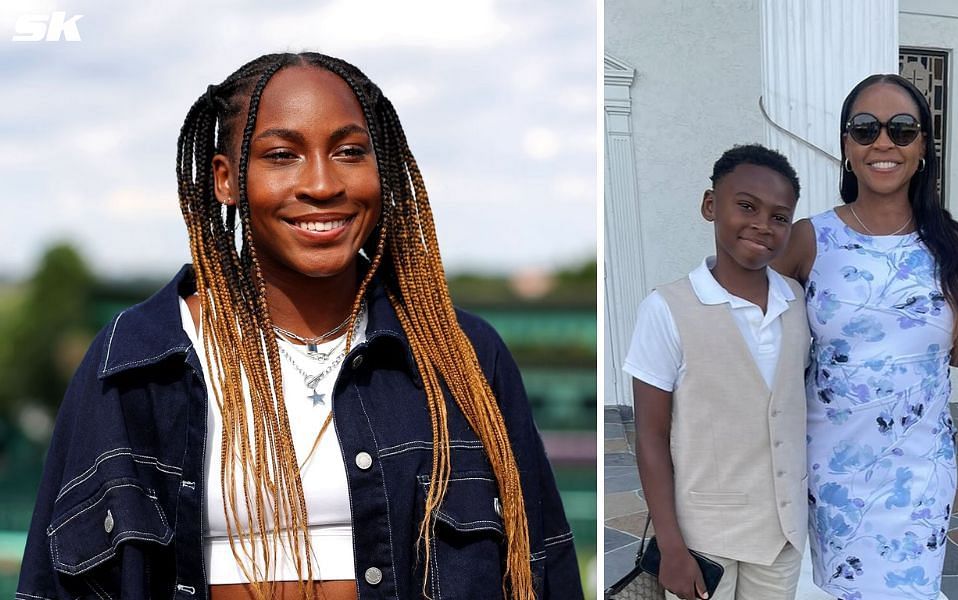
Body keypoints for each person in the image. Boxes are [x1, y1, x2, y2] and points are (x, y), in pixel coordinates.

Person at [16, 52, 582, 600]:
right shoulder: (137, 364)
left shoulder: (461, 358)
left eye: (350, 152)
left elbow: (544, 562)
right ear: (225, 180)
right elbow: (54, 583)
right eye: (283, 154)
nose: (321, 183)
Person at [773, 74, 958, 600]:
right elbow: (763, 341)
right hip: (834, 471)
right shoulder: (809, 239)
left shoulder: (953, 245)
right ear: (846, 147)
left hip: (919, 473)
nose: (883, 142)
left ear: (923, 149)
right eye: (864, 129)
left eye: (902, 129)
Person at [623, 144, 807, 600]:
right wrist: (670, 546)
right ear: (711, 206)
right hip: (703, 539)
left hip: (780, 533)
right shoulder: (666, 308)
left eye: (780, 217)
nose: (763, 224)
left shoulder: (797, 302)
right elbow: (650, 435)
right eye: (746, 206)